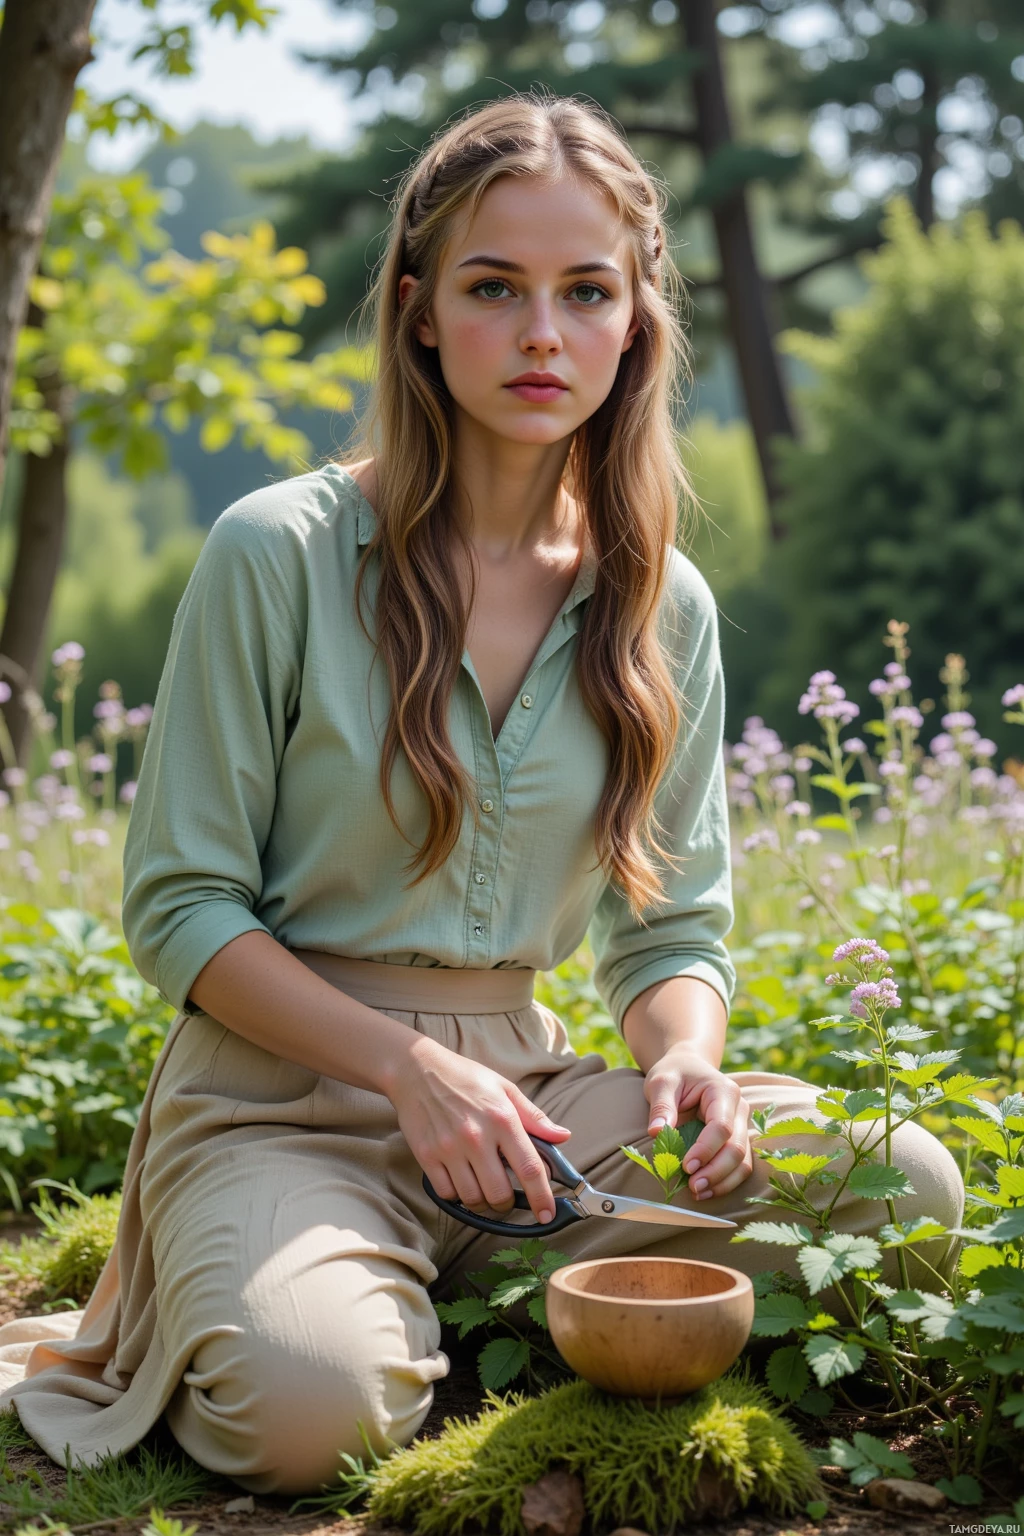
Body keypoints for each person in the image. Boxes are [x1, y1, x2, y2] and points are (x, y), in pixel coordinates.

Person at [0, 93, 963, 1496]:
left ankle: (457, 1300)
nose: (541, 335)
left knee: (907, 1188)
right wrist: (404, 1066)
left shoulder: (662, 602)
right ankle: (337, 1310)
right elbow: (181, 912)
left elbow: (672, 929)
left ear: (634, 320)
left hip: (541, 1117)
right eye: (494, 288)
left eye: (586, 292)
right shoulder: (275, 554)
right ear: (419, 310)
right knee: (305, 1419)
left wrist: (685, 1056)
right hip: (283, 1100)